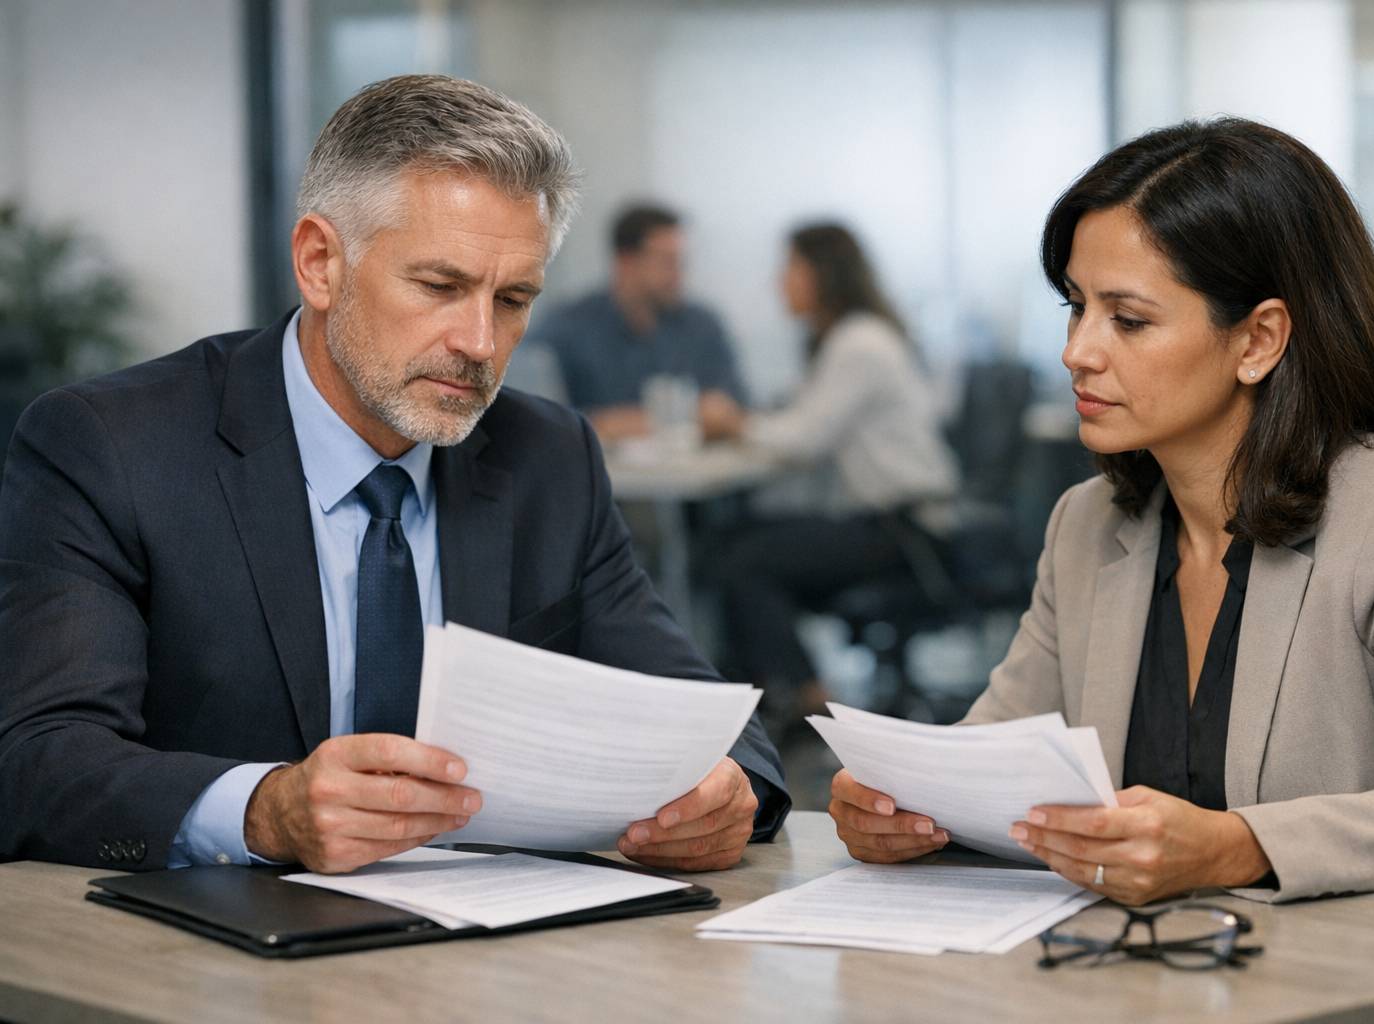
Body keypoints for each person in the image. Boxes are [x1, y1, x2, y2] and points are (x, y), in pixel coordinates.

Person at [0, 74, 788, 875]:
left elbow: (706, 714)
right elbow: (37, 760)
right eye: (441, 286)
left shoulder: (548, 457)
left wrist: (729, 791)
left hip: (495, 948)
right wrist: (265, 809)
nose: (481, 342)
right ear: (320, 263)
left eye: (513, 298)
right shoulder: (113, 447)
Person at [828, 117, 1374, 906]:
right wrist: (904, 808)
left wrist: (1235, 846)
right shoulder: (1088, 524)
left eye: (1127, 319)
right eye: (1075, 306)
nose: (1078, 351)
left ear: (1258, 340)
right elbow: (988, 760)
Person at [705, 223, 959, 725]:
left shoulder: (858, 342)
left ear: (821, 273)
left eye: (790, 268)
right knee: (736, 541)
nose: (781, 283)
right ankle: (780, 690)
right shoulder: (848, 338)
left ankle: (806, 699)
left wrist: (735, 424)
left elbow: (804, 438)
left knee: (742, 561)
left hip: (905, 531)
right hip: (891, 521)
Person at [526, 203, 747, 442]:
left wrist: (621, 423)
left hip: (705, 475)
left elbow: (736, 409)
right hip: (611, 476)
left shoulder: (702, 325)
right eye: (666, 261)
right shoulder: (568, 328)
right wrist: (684, 418)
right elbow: (537, 422)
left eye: (681, 262)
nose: (678, 274)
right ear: (626, 262)